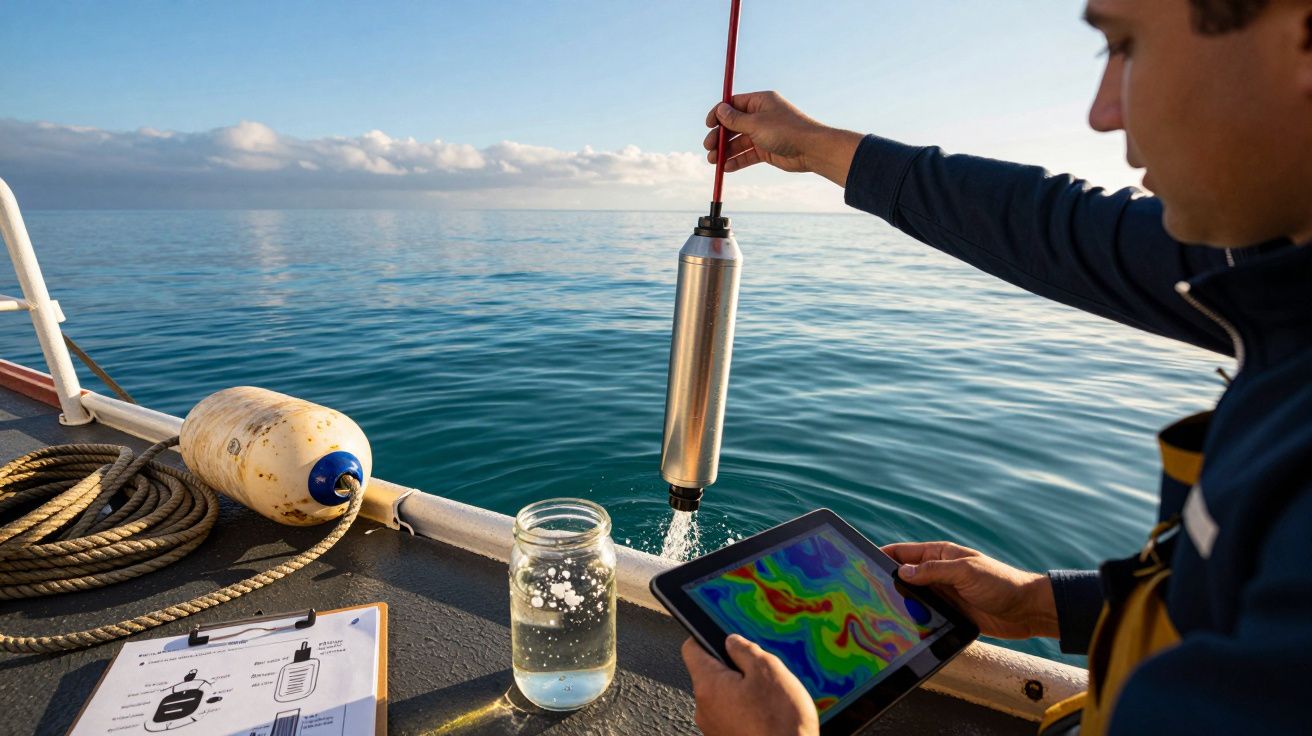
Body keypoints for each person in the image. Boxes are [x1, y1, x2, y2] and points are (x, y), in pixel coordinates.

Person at [680, 0, 1312, 734]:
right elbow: (1053, 227)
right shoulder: (1279, 285)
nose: (1104, 112)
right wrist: (1046, 603)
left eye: (1127, 46)